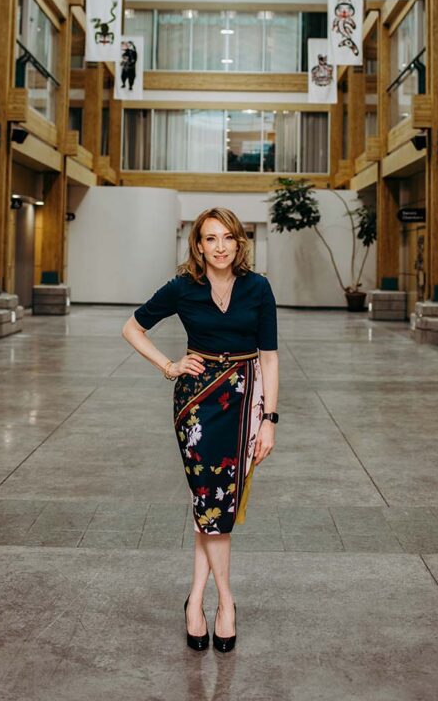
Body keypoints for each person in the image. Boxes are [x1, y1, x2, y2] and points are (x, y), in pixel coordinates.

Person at [122, 208, 279, 653]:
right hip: (196, 403)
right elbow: (131, 328)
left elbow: (269, 357)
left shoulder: (258, 287)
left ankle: (195, 600)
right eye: (210, 239)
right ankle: (225, 603)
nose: (220, 246)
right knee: (212, 502)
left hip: (246, 400)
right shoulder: (182, 288)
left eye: (228, 237)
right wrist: (169, 366)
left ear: (239, 242)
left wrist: (269, 420)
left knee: (212, 503)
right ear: (198, 245)